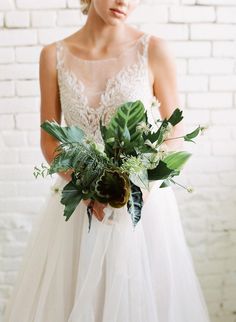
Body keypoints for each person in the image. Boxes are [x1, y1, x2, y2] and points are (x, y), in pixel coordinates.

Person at [3, 0, 212, 321]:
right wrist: (87, 186)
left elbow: (175, 133)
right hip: (77, 206)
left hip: (141, 209)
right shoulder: (52, 56)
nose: (124, 2)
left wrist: (137, 182)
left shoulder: (153, 49)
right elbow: (50, 139)